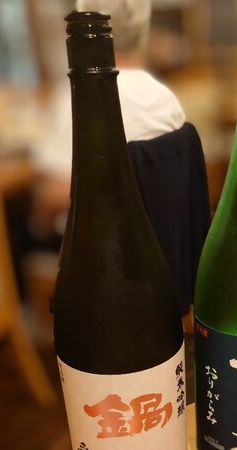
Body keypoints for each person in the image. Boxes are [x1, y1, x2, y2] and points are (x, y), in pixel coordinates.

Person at [27, 0, 211, 332]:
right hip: (175, 271)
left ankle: (35, 328)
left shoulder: (78, 97)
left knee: (25, 230)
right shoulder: (165, 99)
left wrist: (37, 217)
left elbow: (55, 195)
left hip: (106, 271)